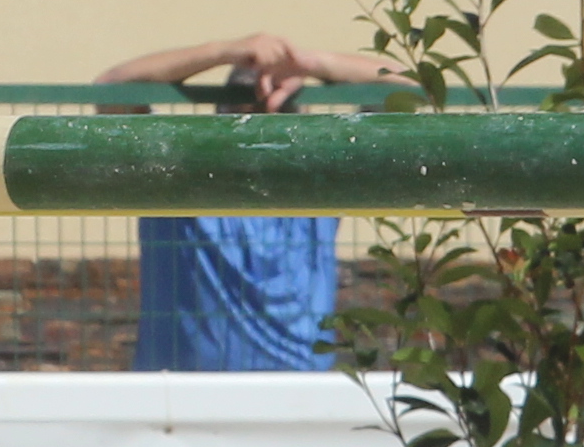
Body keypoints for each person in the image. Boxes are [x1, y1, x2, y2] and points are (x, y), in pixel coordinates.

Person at [99, 29, 397, 372]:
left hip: (294, 402)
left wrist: (307, 63)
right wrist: (225, 50)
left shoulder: (317, 184)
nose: (256, 129)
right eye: (243, 109)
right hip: (182, 403)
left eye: (273, 110)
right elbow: (113, 86)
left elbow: (408, 86)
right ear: (221, 116)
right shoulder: (178, 180)